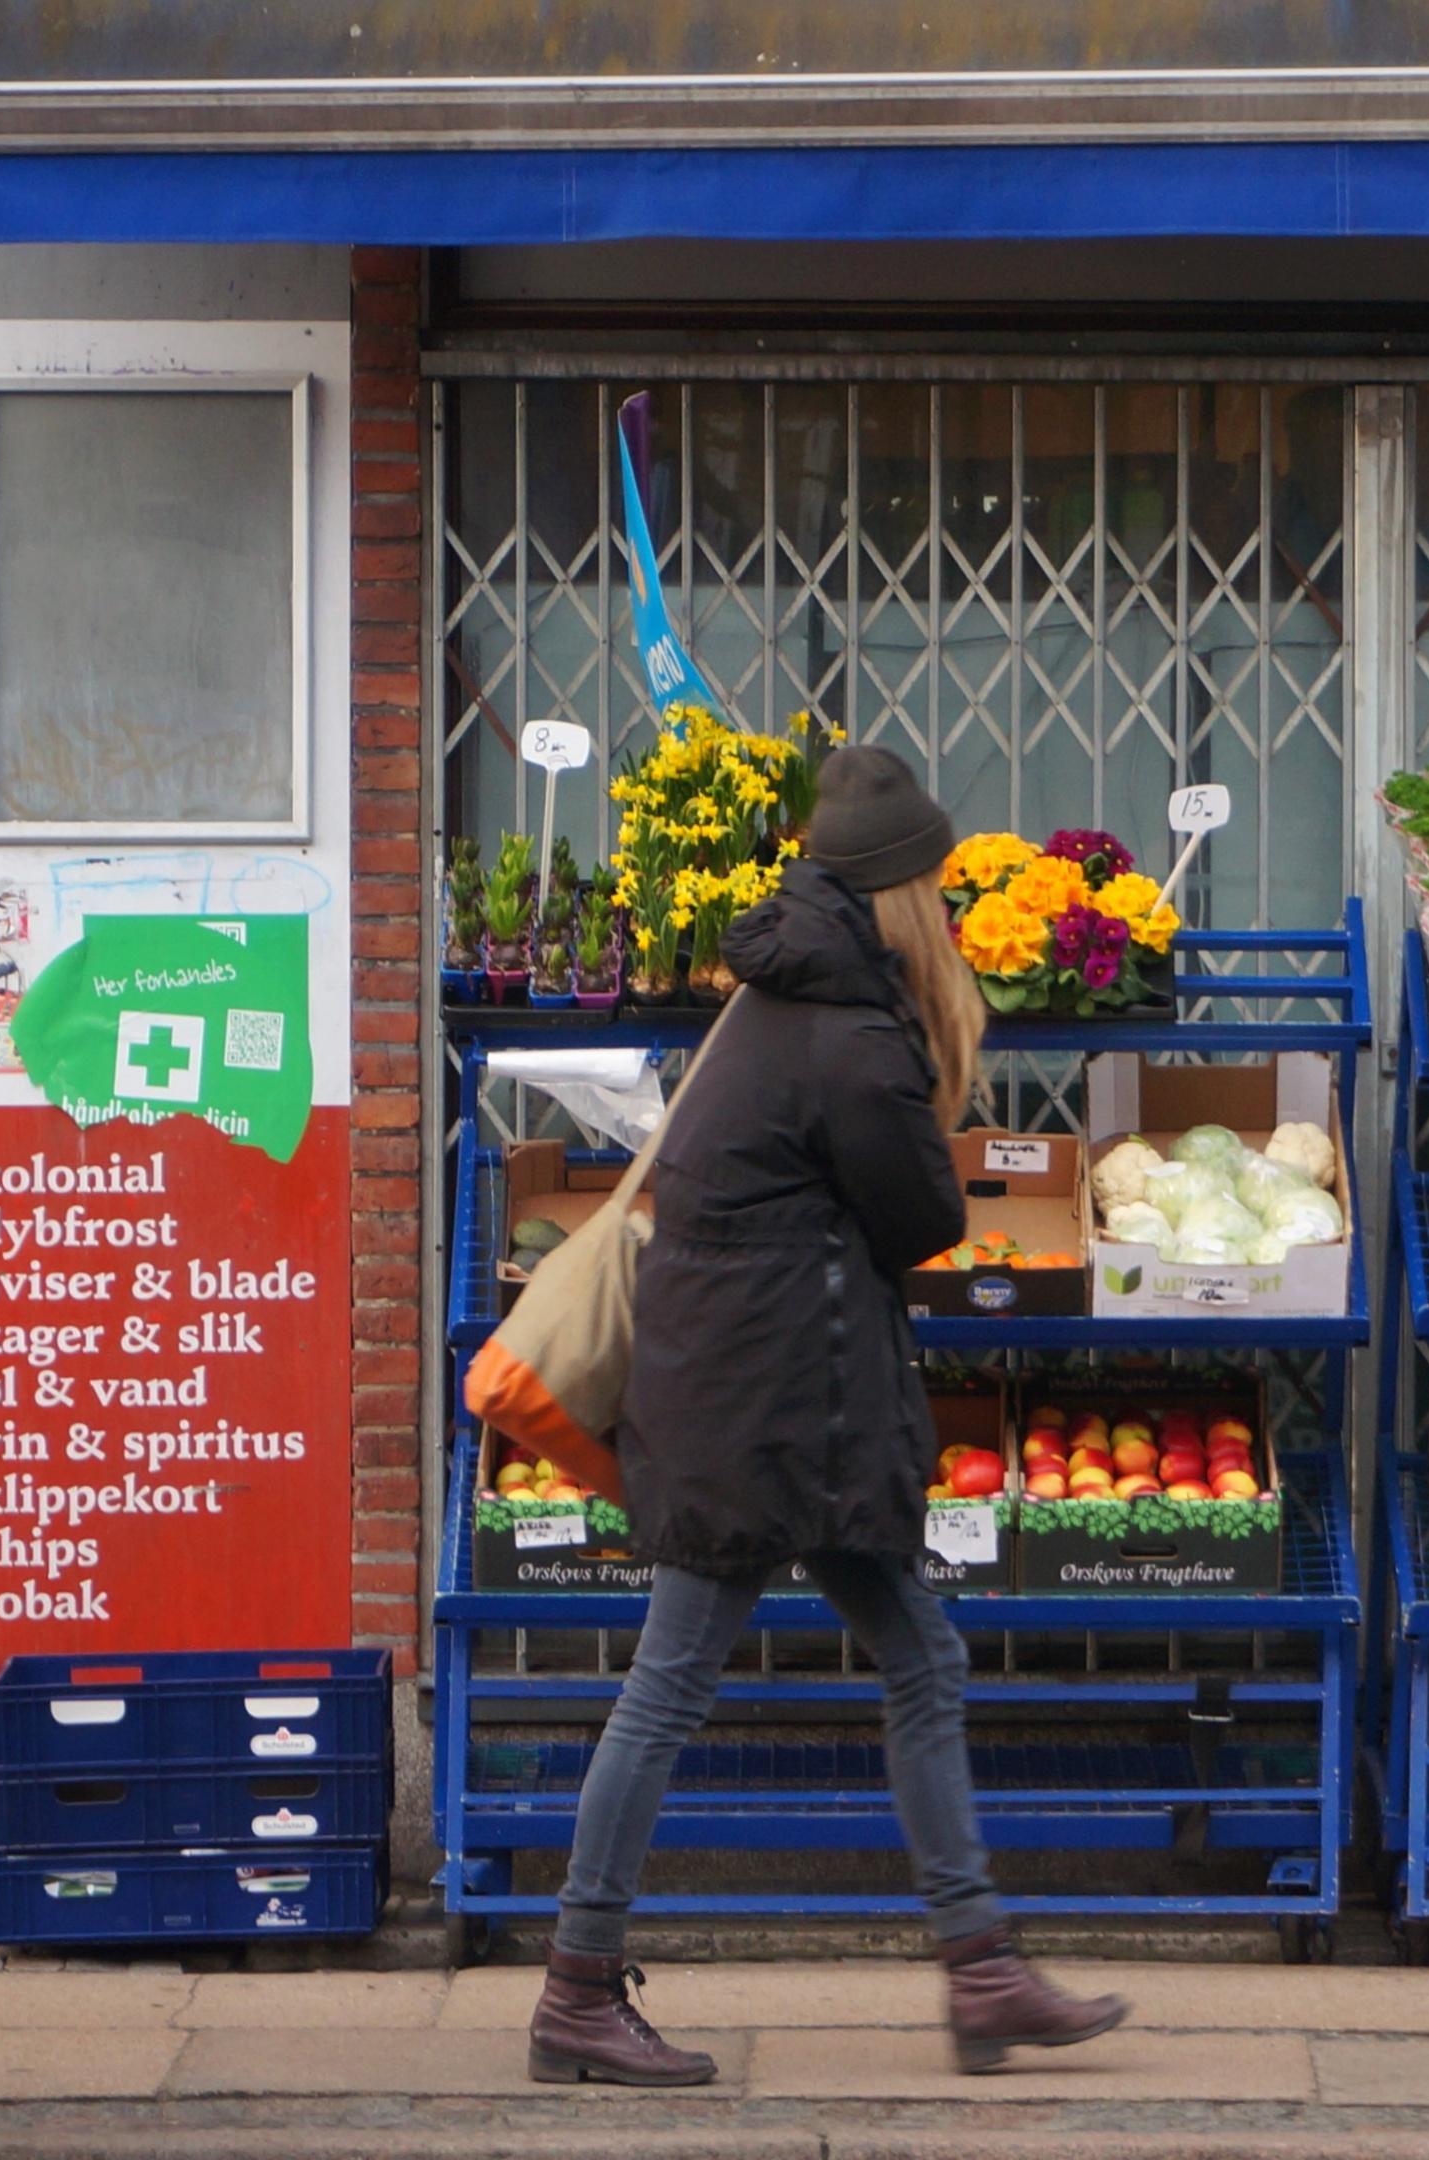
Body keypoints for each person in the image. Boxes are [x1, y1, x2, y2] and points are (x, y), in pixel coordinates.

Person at [529, 745, 1130, 2086]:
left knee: (919, 1657)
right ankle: (575, 1987)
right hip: (767, 1408)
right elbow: (922, 1215)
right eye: (938, 889)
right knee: (673, 1682)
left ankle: (981, 1971)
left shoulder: (782, 988)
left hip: (781, 1394)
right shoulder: (854, 1033)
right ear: (905, 892)